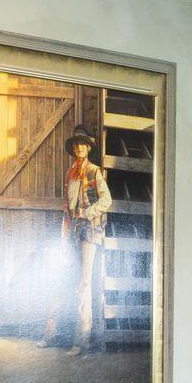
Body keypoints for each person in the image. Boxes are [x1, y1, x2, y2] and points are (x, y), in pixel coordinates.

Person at [53, 124, 112, 354]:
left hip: (90, 232)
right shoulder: (70, 173)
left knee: (85, 283)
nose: (79, 147)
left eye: (82, 144)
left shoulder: (93, 171)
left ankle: (81, 340)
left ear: (88, 147)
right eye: (76, 144)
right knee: (68, 280)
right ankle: (58, 334)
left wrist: (87, 214)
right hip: (73, 231)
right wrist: (65, 231)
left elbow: (106, 200)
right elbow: (68, 207)